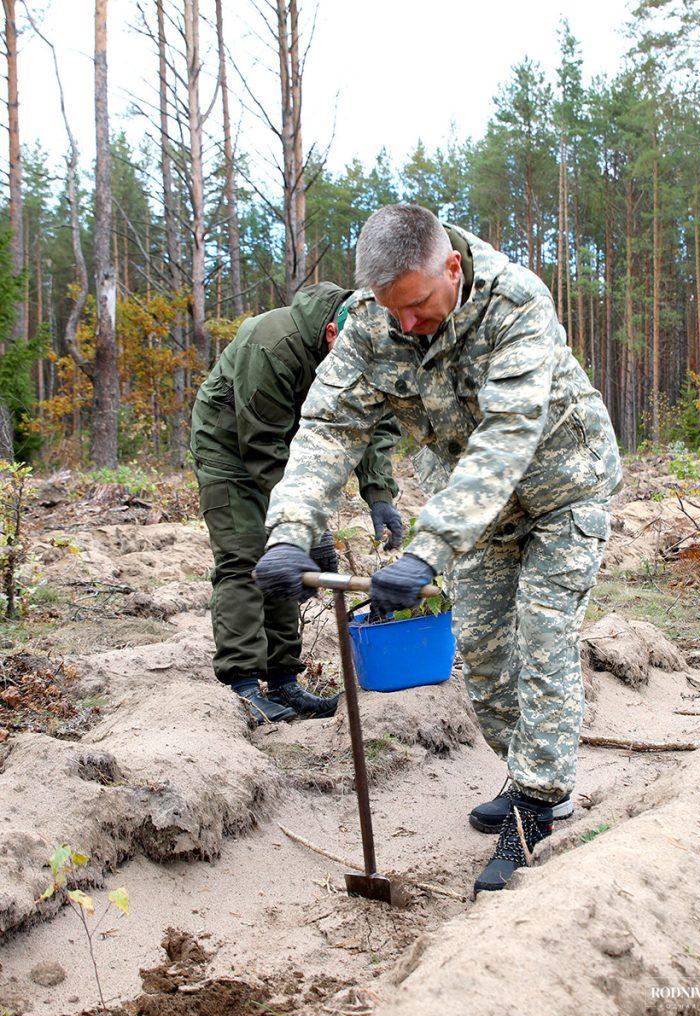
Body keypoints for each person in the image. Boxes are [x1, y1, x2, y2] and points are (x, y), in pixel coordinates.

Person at [254, 206, 622, 894]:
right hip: (473, 508)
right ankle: (532, 775)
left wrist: (428, 550)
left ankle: (539, 804)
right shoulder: (371, 324)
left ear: (450, 267)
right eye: (393, 311)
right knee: (483, 659)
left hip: (560, 490)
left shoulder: (516, 303)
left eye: (418, 307)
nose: (407, 326)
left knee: (542, 638)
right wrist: (288, 530)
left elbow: (508, 436)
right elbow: (329, 428)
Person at [190, 281, 403, 726]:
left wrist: (378, 494)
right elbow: (261, 444)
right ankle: (244, 686)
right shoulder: (273, 344)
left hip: (290, 449)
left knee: (286, 562)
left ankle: (283, 679)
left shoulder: (366, 341)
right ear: (331, 334)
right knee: (246, 555)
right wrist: (309, 526)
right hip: (231, 448)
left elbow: (370, 424)